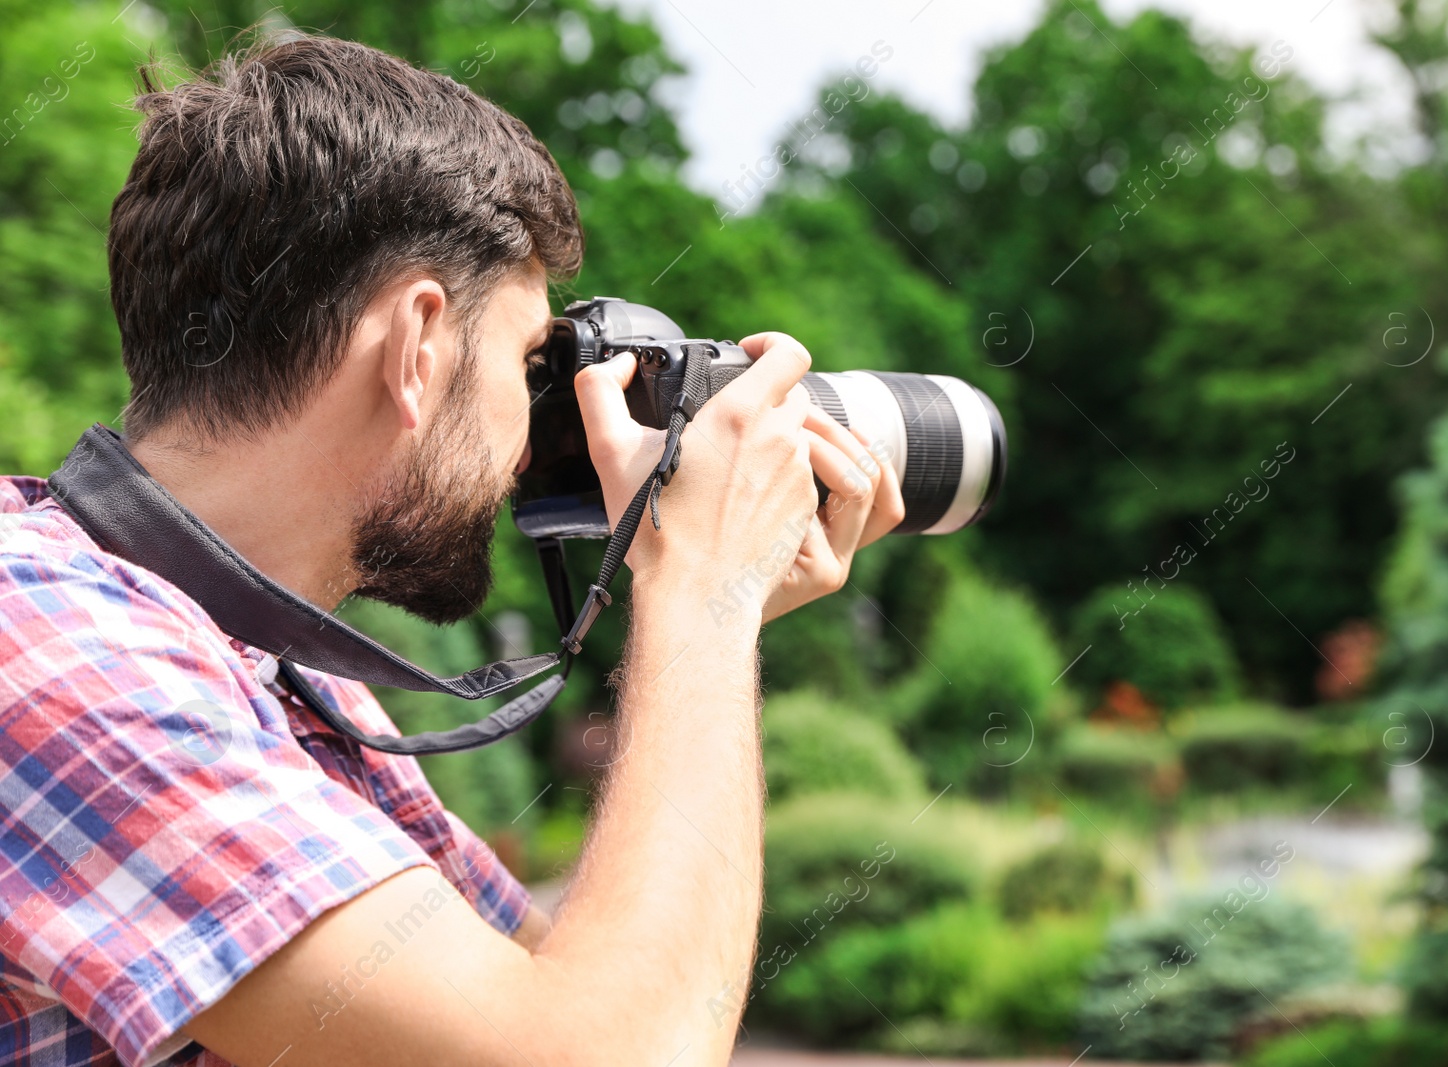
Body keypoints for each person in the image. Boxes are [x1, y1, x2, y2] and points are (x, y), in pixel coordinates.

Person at [0, 33, 903, 1067]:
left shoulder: (285, 685)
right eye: (526, 363)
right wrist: (700, 594)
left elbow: (588, 990)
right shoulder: (46, 642)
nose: (535, 434)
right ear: (417, 347)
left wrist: (710, 599)